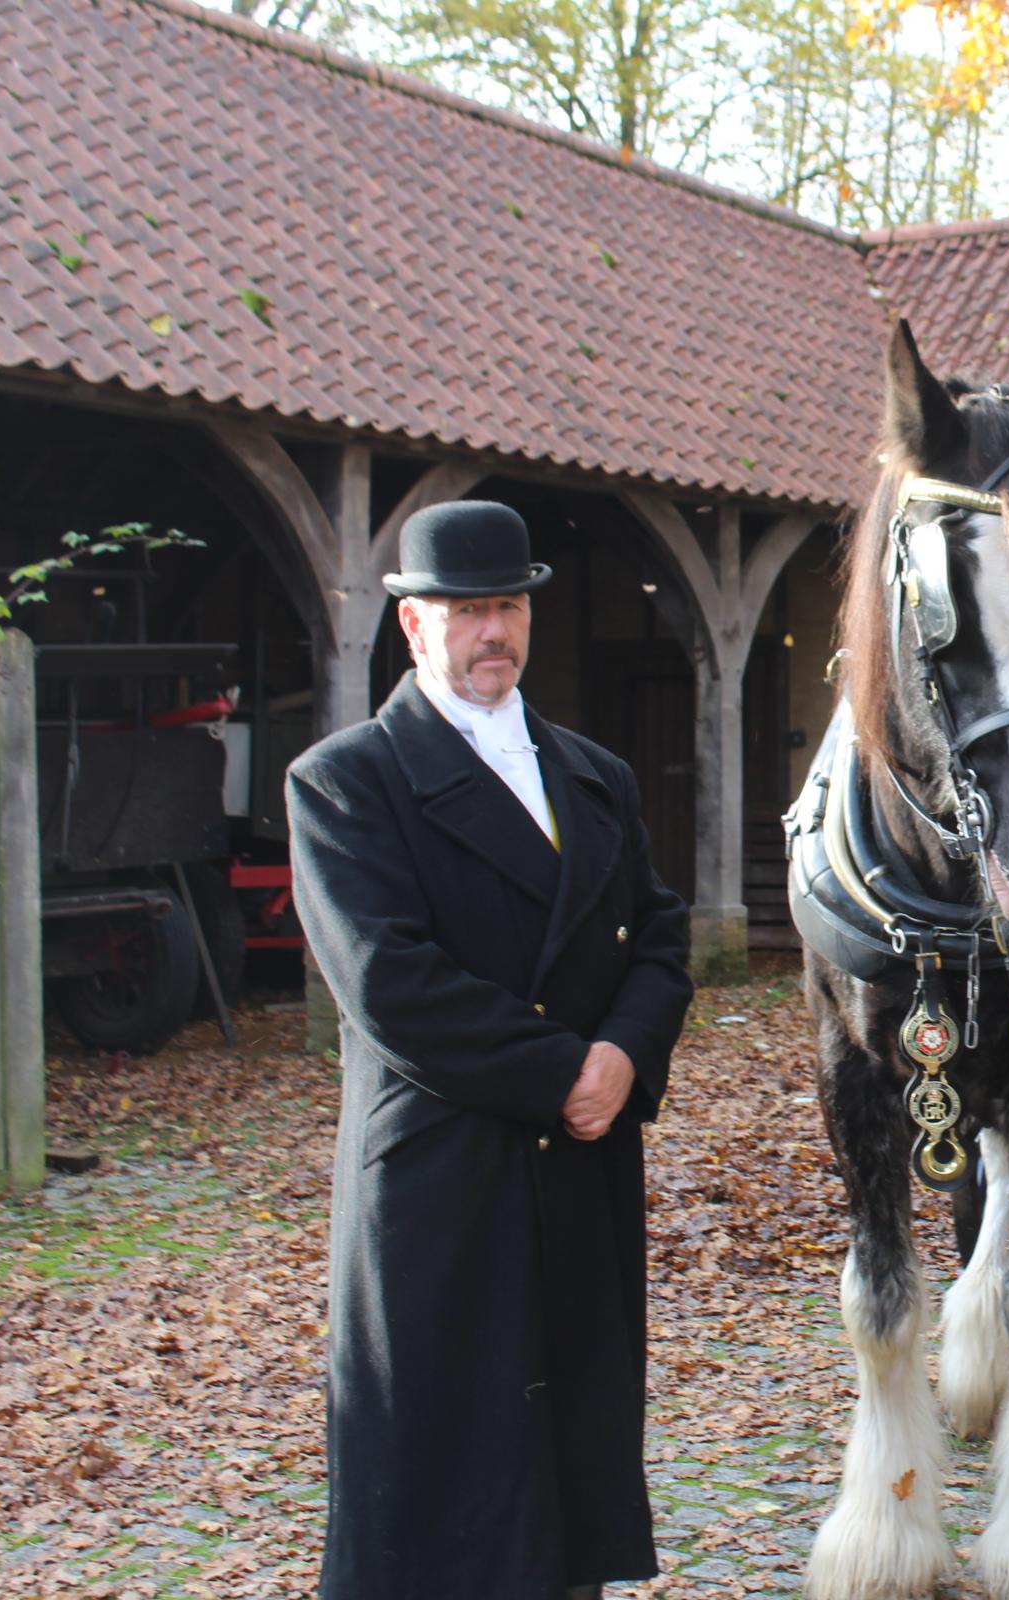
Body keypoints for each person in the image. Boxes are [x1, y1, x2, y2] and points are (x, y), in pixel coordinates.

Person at [288, 500, 693, 1599]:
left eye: (508, 605)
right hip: (442, 1170)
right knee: (443, 1462)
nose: (492, 632)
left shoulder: (594, 775)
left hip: (584, 1160)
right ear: (413, 626)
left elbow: (657, 932)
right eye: (466, 611)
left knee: (569, 1454)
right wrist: (564, 1068)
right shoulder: (345, 782)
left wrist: (624, 1050)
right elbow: (389, 981)